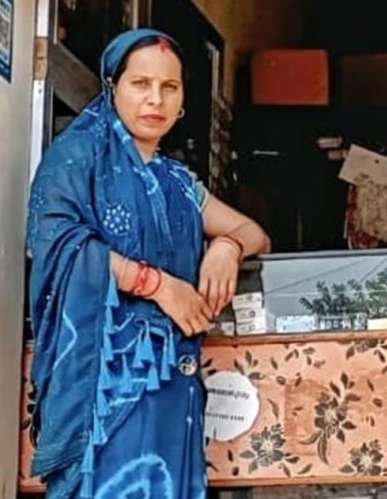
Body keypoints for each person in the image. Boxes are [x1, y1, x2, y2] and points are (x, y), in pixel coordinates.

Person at [26, 29, 270, 498]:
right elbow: (54, 242)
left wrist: (226, 246)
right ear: (112, 86)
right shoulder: (76, 159)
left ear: (182, 102)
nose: (155, 99)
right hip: (106, 387)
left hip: (172, 383)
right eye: (141, 84)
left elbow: (254, 233)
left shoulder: (177, 183)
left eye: (169, 87)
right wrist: (156, 285)